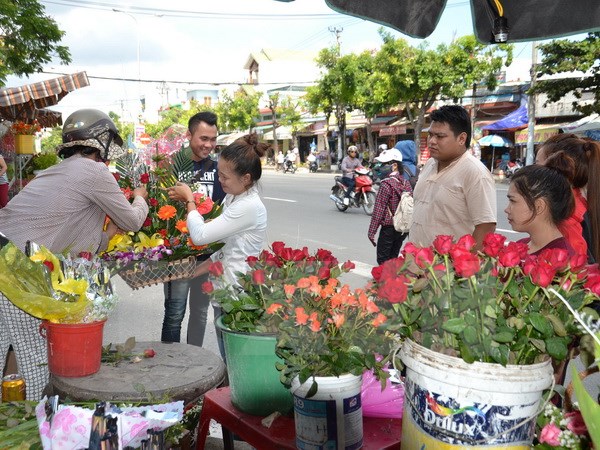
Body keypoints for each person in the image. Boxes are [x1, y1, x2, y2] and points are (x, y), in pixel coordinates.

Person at [0, 108, 149, 400]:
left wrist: (109, 233)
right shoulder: (95, 171)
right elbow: (133, 221)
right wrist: (140, 199)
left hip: (5, 253)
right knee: (37, 362)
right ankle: (40, 434)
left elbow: (74, 234)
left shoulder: (54, 171)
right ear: (100, 140)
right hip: (18, 272)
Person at [167, 134, 267, 299]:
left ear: (246, 178)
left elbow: (199, 236)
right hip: (225, 287)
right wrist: (191, 272)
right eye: (218, 174)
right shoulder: (233, 196)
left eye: (225, 177)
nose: (220, 180)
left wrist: (189, 199)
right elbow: (226, 250)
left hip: (238, 294)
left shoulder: (248, 206)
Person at [161, 111, 226, 346]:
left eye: (212, 139)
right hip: (178, 255)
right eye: (203, 138)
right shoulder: (172, 165)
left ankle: (194, 365)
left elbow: (222, 209)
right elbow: (161, 208)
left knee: (199, 314)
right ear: (189, 135)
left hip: (207, 256)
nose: (209, 145)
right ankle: (170, 366)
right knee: (174, 314)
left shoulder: (220, 169)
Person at [407, 105, 496, 249]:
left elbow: (485, 227)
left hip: (448, 270)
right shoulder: (429, 164)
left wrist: (464, 265)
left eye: (440, 136)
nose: (432, 141)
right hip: (416, 265)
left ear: (461, 138)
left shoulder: (475, 172)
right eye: (430, 135)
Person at [535, 133, 600, 263]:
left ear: (557, 166)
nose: (533, 170)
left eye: (537, 164)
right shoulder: (579, 203)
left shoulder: (565, 215)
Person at [507, 164, 575, 256]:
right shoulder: (520, 246)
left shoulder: (561, 261)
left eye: (513, 201)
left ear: (539, 206)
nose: (507, 209)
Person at [368, 148, 412, 264]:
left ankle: (385, 281)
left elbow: (379, 210)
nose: (380, 167)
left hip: (389, 228)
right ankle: (392, 280)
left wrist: (371, 232)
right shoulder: (405, 182)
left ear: (394, 166)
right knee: (393, 258)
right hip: (402, 228)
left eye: (383, 164)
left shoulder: (386, 184)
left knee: (382, 260)